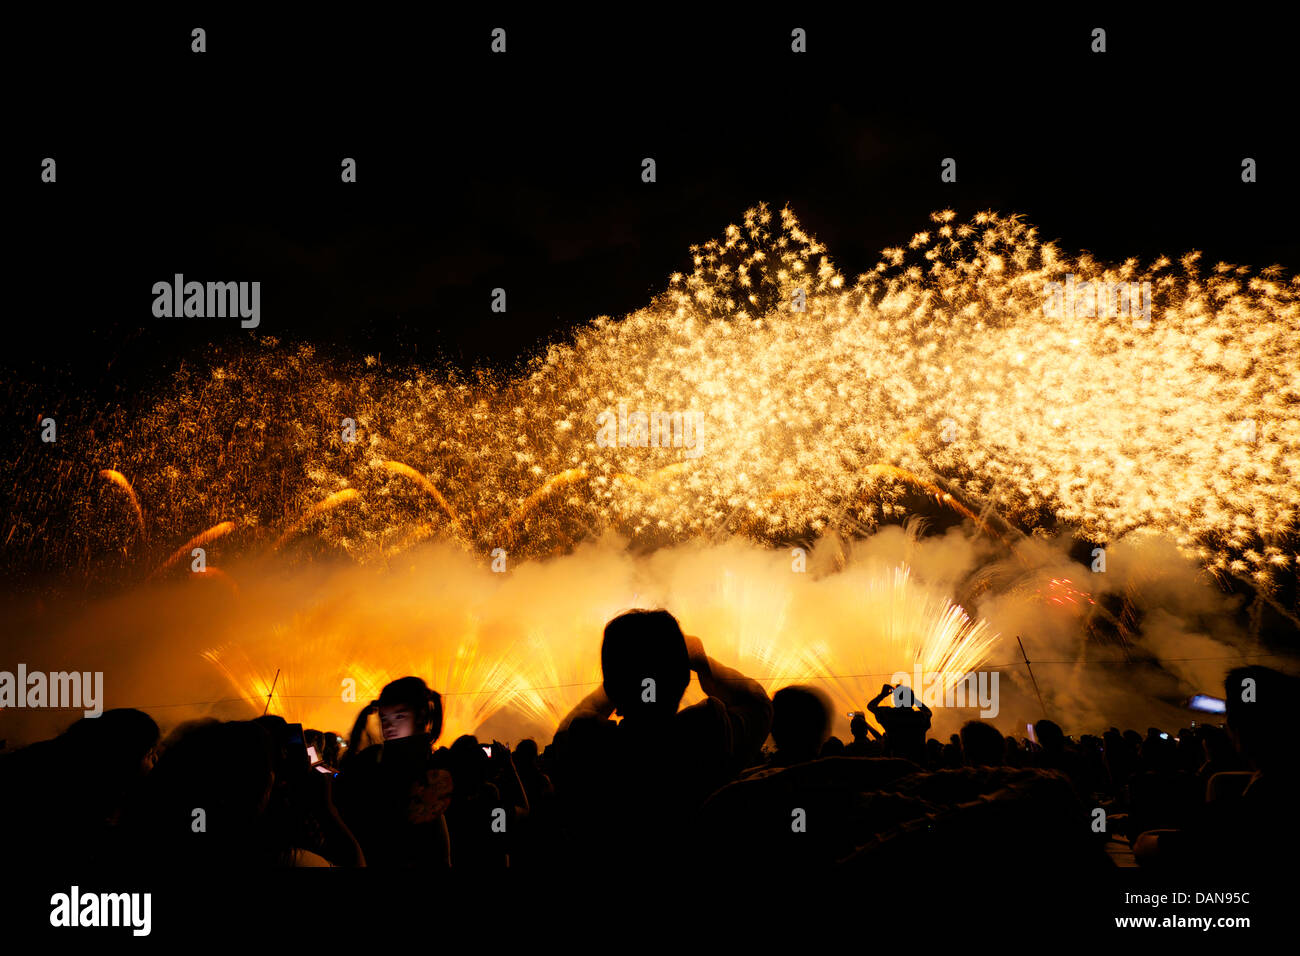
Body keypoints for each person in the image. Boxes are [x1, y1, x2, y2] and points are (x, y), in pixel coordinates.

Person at [551, 609, 773, 868]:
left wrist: (618, 680)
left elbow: (565, 734)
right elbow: (759, 704)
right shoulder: (707, 735)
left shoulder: (591, 750)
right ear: (683, 679)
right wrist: (702, 662)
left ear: (612, 685)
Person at [333, 677, 453, 868]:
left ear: (421, 716)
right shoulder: (386, 759)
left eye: (399, 716)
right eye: (384, 719)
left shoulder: (423, 771)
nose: (388, 726)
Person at [866, 683, 931, 764]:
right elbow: (928, 712)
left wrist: (882, 695)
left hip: (895, 763)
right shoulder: (919, 717)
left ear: (896, 700)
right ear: (911, 701)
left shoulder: (888, 714)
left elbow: (871, 706)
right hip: (919, 762)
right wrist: (913, 699)